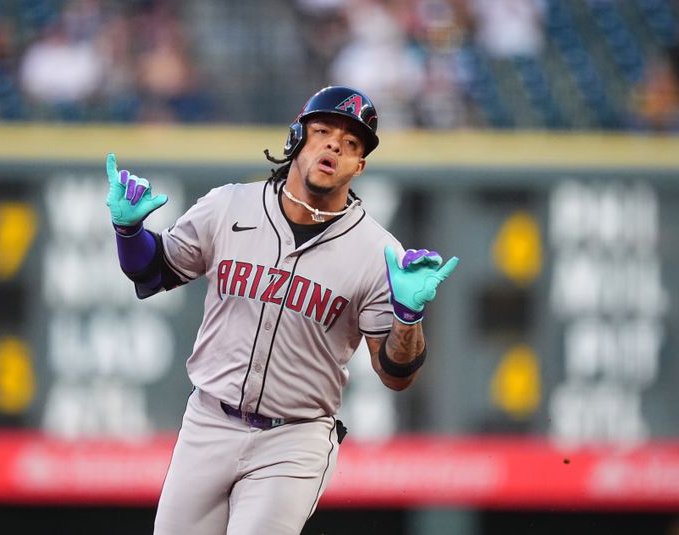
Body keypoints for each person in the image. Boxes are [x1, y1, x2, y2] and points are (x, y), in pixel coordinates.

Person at [105, 85, 459, 535]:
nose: (335, 144)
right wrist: (129, 232)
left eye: (351, 144)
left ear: (359, 166)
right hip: (209, 422)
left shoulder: (377, 252)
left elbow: (396, 374)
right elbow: (153, 273)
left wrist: (409, 319)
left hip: (294, 438)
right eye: (324, 131)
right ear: (297, 137)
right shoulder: (230, 204)